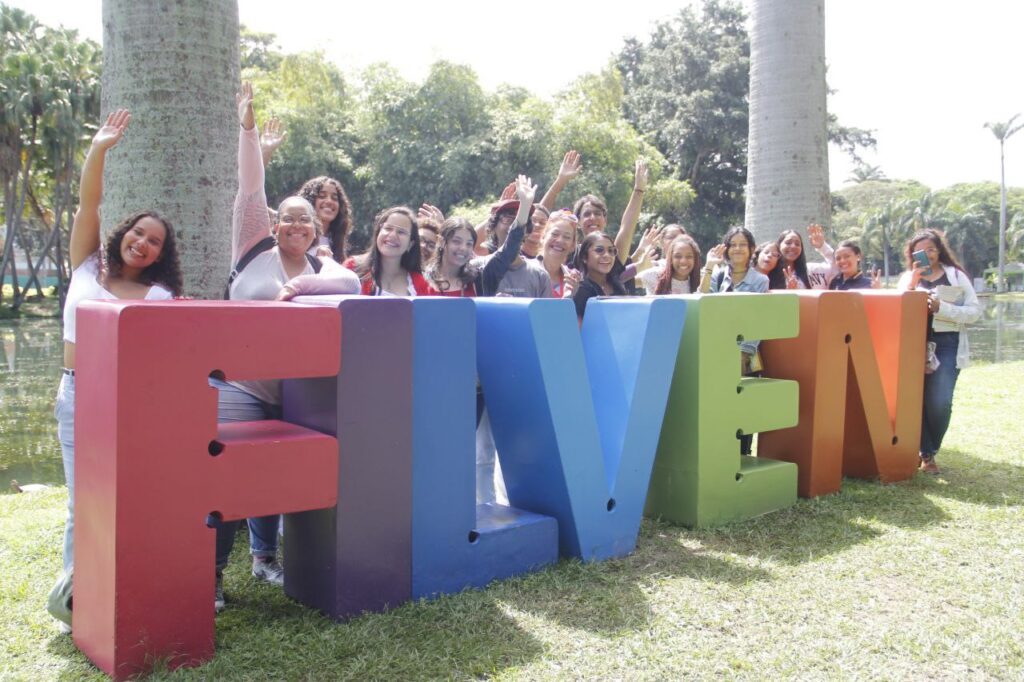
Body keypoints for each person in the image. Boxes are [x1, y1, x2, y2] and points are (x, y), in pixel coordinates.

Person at [214, 83, 360, 611]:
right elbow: (250, 188)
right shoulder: (253, 246)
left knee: (277, 475)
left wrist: (299, 288)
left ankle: (264, 559)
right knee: (228, 476)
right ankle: (211, 574)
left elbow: (352, 287)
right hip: (240, 384)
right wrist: (248, 128)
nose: (297, 222)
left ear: (319, 228)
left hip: (299, 392)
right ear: (274, 223)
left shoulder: (327, 269)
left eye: (307, 218)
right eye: (288, 216)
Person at [54, 108, 184, 631]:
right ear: (124, 233)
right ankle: (73, 601)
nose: (143, 242)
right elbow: (90, 203)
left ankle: (119, 589)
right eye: (138, 232)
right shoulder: (88, 264)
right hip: (75, 394)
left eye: (154, 241)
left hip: (123, 403)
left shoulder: (159, 295)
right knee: (78, 502)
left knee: (122, 500)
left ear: (159, 255)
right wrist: (99, 147)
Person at [896, 228, 981, 474]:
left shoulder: (955, 276)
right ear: (912, 254)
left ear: (939, 250)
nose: (926, 255)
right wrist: (911, 286)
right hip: (913, 343)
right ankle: (926, 453)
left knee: (940, 402)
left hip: (947, 344)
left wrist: (941, 308)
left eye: (931, 249)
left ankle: (928, 448)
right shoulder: (907, 278)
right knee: (914, 400)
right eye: (919, 251)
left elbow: (974, 312)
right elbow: (894, 310)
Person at [700, 226, 769, 456]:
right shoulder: (718, 275)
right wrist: (709, 266)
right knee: (718, 405)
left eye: (743, 245)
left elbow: (758, 319)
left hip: (744, 355)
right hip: (716, 349)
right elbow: (701, 298)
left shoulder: (760, 281)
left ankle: (743, 454)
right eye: (733, 245)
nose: (738, 249)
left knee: (742, 406)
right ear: (726, 249)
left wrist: (744, 352)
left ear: (751, 250)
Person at [259, 117, 355, 263]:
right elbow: (252, 197)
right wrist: (265, 152)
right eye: (322, 196)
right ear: (309, 200)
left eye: (334, 198)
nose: (329, 201)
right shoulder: (285, 222)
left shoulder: (336, 244)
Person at [343, 207, 432, 296]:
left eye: (401, 232)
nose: (392, 235)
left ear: (410, 244)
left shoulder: (420, 284)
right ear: (378, 232)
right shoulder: (353, 268)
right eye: (388, 228)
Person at [572, 232, 627, 319]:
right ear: (584, 257)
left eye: (611, 251)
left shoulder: (618, 286)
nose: (607, 255)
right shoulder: (580, 290)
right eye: (599, 250)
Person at [768, 224, 836, 290]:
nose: (793, 246)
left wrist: (822, 247)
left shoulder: (812, 270)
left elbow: (838, 266)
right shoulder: (769, 273)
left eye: (797, 244)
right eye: (788, 243)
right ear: (779, 246)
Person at [538, 210, 582, 298]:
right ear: (543, 237)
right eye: (555, 234)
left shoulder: (573, 279)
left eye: (567, 237)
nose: (560, 240)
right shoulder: (527, 271)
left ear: (573, 245)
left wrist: (573, 296)